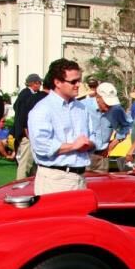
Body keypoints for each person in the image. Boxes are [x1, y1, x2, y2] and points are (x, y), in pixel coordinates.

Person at [28, 58, 94, 195]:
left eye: (79, 80)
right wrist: (74, 146)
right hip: (55, 179)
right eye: (73, 81)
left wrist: (90, 144)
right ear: (57, 82)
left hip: (80, 177)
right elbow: (41, 146)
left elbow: (93, 136)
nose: (78, 85)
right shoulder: (42, 109)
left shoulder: (82, 108)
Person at [12, 73, 44, 180]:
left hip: (27, 132)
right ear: (33, 83)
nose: (40, 85)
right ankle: (20, 183)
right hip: (26, 134)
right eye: (39, 82)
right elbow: (24, 115)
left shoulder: (27, 94)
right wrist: (26, 130)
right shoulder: (26, 95)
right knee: (26, 161)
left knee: (32, 161)